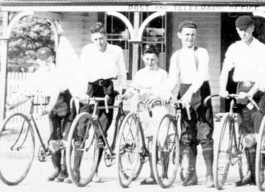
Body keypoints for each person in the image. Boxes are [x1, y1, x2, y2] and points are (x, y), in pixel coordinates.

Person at [218, 15, 265, 186]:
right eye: (240, 31)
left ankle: (260, 173)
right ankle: (251, 173)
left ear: (252, 29)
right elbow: (225, 70)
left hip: (258, 91)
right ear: (237, 31)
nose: (244, 33)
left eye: (247, 30)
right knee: (247, 135)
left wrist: (253, 91)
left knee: (258, 132)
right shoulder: (234, 48)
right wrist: (222, 89)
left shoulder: (261, 48)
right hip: (241, 90)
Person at [74, 22, 127, 183]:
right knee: (81, 129)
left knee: (101, 131)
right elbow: (82, 72)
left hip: (108, 89)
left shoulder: (116, 50)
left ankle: (95, 170)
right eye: (96, 39)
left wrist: (122, 90)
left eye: (102, 38)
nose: (99, 42)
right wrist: (82, 93)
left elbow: (122, 71)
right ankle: (75, 170)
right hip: (90, 88)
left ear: (106, 37)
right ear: (92, 39)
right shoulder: (87, 50)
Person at [168, 20, 215, 187]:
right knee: (187, 135)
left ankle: (209, 175)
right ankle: (191, 175)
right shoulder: (176, 56)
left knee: (205, 134)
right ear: (180, 35)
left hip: (200, 93)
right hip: (184, 91)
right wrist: (167, 92)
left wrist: (189, 94)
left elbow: (201, 76)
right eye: (187, 34)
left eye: (193, 35)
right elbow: (173, 78)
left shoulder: (201, 52)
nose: (190, 38)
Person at [121, 44, 175, 185]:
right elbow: (133, 88)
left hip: (159, 110)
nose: (150, 62)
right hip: (145, 111)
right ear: (143, 58)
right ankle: (152, 174)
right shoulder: (140, 74)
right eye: (147, 59)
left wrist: (159, 96)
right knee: (150, 142)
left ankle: (164, 174)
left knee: (162, 141)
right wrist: (126, 95)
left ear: (157, 59)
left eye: (153, 59)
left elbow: (166, 91)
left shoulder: (162, 74)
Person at [24, 47, 72, 183]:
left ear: (52, 58)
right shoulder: (38, 74)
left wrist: (47, 108)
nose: (45, 63)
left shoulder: (58, 72)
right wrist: (14, 103)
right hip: (51, 105)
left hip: (65, 103)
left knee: (67, 138)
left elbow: (56, 91)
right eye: (42, 60)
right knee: (54, 138)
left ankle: (66, 170)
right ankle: (56, 168)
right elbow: (30, 89)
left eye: (47, 59)